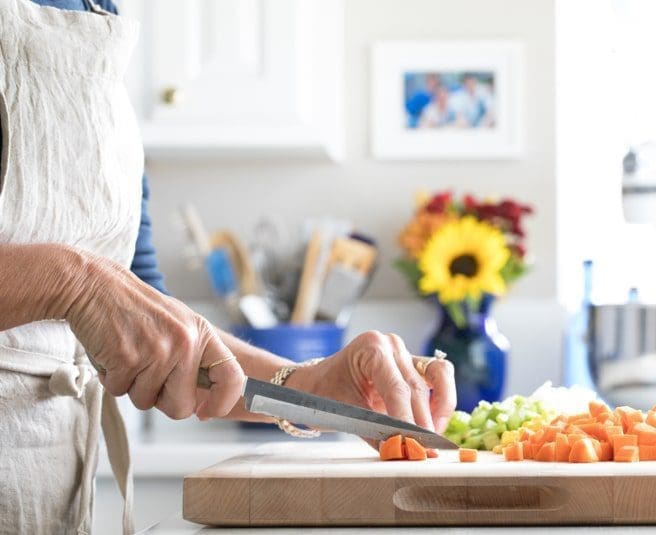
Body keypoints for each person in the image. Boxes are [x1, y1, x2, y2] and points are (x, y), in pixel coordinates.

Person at [0, 1, 457, 533]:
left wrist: (308, 386)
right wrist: (73, 281)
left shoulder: (99, 11)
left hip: (40, 492)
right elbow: (97, 286)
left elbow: (156, 320)